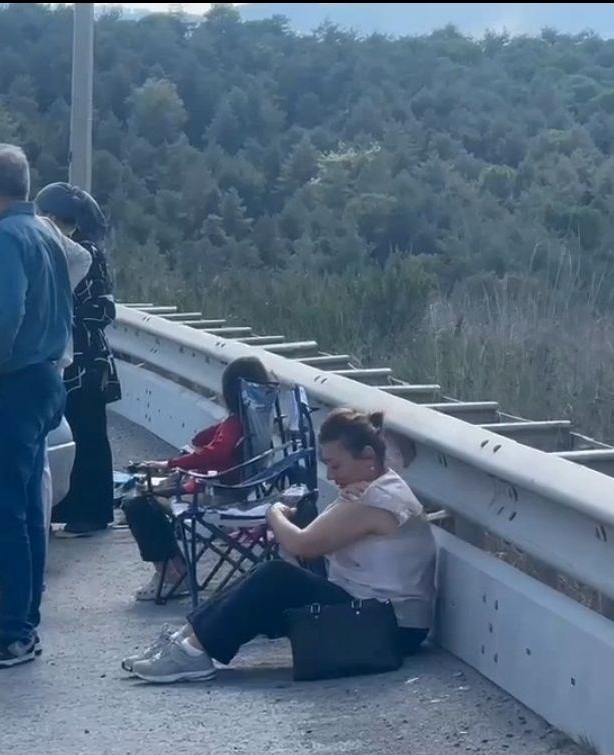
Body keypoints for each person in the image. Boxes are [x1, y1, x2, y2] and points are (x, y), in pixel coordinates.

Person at [119, 408, 436, 683]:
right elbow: (315, 531)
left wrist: (272, 512)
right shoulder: (375, 486)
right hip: (377, 617)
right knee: (264, 581)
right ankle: (189, 640)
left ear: (368, 457)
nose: (330, 475)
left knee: (276, 577)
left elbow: (302, 544)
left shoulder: (377, 500)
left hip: (389, 628)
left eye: (336, 466)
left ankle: (193, 650)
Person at [0, 142, 72, 669]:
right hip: (44, 376)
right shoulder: (45, 232)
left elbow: (6, 308)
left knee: (5, 512)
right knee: (25, 512)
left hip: (12, 384)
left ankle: (16, 632)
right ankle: (21, 622)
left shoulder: (3, 238)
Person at [126, 356, 273, 601]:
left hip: (219, 494)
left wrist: (170, 464)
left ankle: (171, 572)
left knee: (137, 503)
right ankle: (177, 570)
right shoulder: (256, 419)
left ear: (228, 392)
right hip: (240, 489)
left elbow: (216, 453)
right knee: (151, 495)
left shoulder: (235, 424)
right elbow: (213, 443)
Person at [35, 182, 121, 538]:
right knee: (78, 432)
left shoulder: (82, 253)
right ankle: (75, 508)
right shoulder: (77, 249)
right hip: (80, 358)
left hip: (84, 362)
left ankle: (92, 512)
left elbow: (96, 306)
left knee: (88, 436)